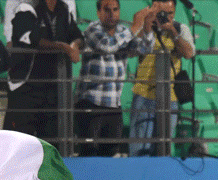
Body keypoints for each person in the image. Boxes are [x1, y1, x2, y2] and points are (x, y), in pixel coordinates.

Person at [5, 0, 83, 143]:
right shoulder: (26, 8)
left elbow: (76, 34)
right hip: (25, 88)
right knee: (19, 143)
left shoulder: (63, 9)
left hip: (51, 90)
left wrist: (75, 44)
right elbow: (29, 38)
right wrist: (63, 47)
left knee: (50, 143)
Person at [127, 0, 195, 157]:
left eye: (170, 13)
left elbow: (189, 53)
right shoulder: (147, 25)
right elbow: (130, 50)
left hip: (169, 97)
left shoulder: (179, 28)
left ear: (175, 12)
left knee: (164, 150)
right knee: (139, 150)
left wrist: (172, 31)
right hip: (143, 95)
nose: (166, 16)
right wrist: (146, 27)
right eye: (162, 13)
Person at [75, 0, 137, 157]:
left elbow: (143, 48)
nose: (112, 14)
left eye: (115, 10)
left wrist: (148, 29)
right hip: (90, 104)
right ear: (98, 13)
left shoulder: (123, 31)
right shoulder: (92, 30)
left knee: (110, 154)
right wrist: (135, 28)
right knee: (88, 153)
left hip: (114, 105)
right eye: (107, 10)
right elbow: (107, 46)